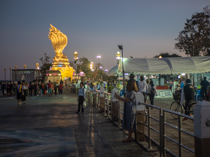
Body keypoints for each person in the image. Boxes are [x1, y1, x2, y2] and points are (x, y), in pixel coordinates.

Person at [114, 74, 138, 142]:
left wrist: (118, 97)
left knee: (130, 123)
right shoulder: (130, 92)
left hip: (130, 109)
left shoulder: (132, 92)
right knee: (129, 122)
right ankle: (129, 136)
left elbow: (127, 99)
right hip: (129, 108)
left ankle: (129, 137)